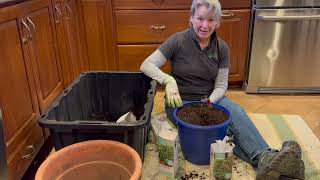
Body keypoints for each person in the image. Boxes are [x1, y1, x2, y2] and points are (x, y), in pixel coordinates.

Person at [140, 0, 305, 179]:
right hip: (181, 102)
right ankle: (272, 162)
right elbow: (146, 64)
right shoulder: (177, 41)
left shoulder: (222, 48)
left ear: (218, 22)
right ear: (191, 19)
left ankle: (266, 159)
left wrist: (211, 100)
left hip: (211, 99)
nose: (205, 25)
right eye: (200, 18)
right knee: (220, 130)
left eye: (211, 20)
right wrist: (168, 80)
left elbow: (220, 85)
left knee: (236, 113)